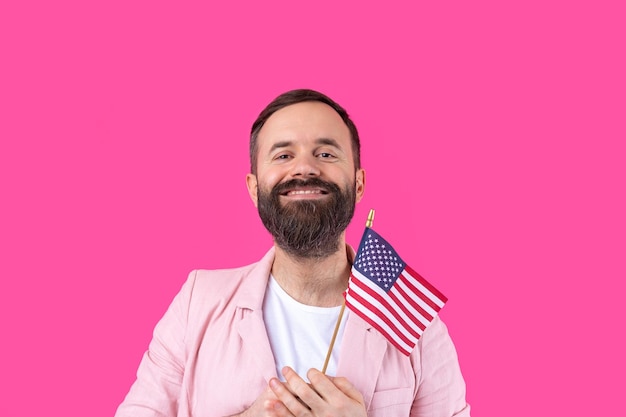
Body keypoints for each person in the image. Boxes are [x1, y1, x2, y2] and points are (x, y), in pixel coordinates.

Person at [115, 89, 470, 417]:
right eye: (284, 155)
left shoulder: (415, 326)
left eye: (326, 153)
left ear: (358, 184)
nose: (305, 168)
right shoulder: (197, 305)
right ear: (255, 189)